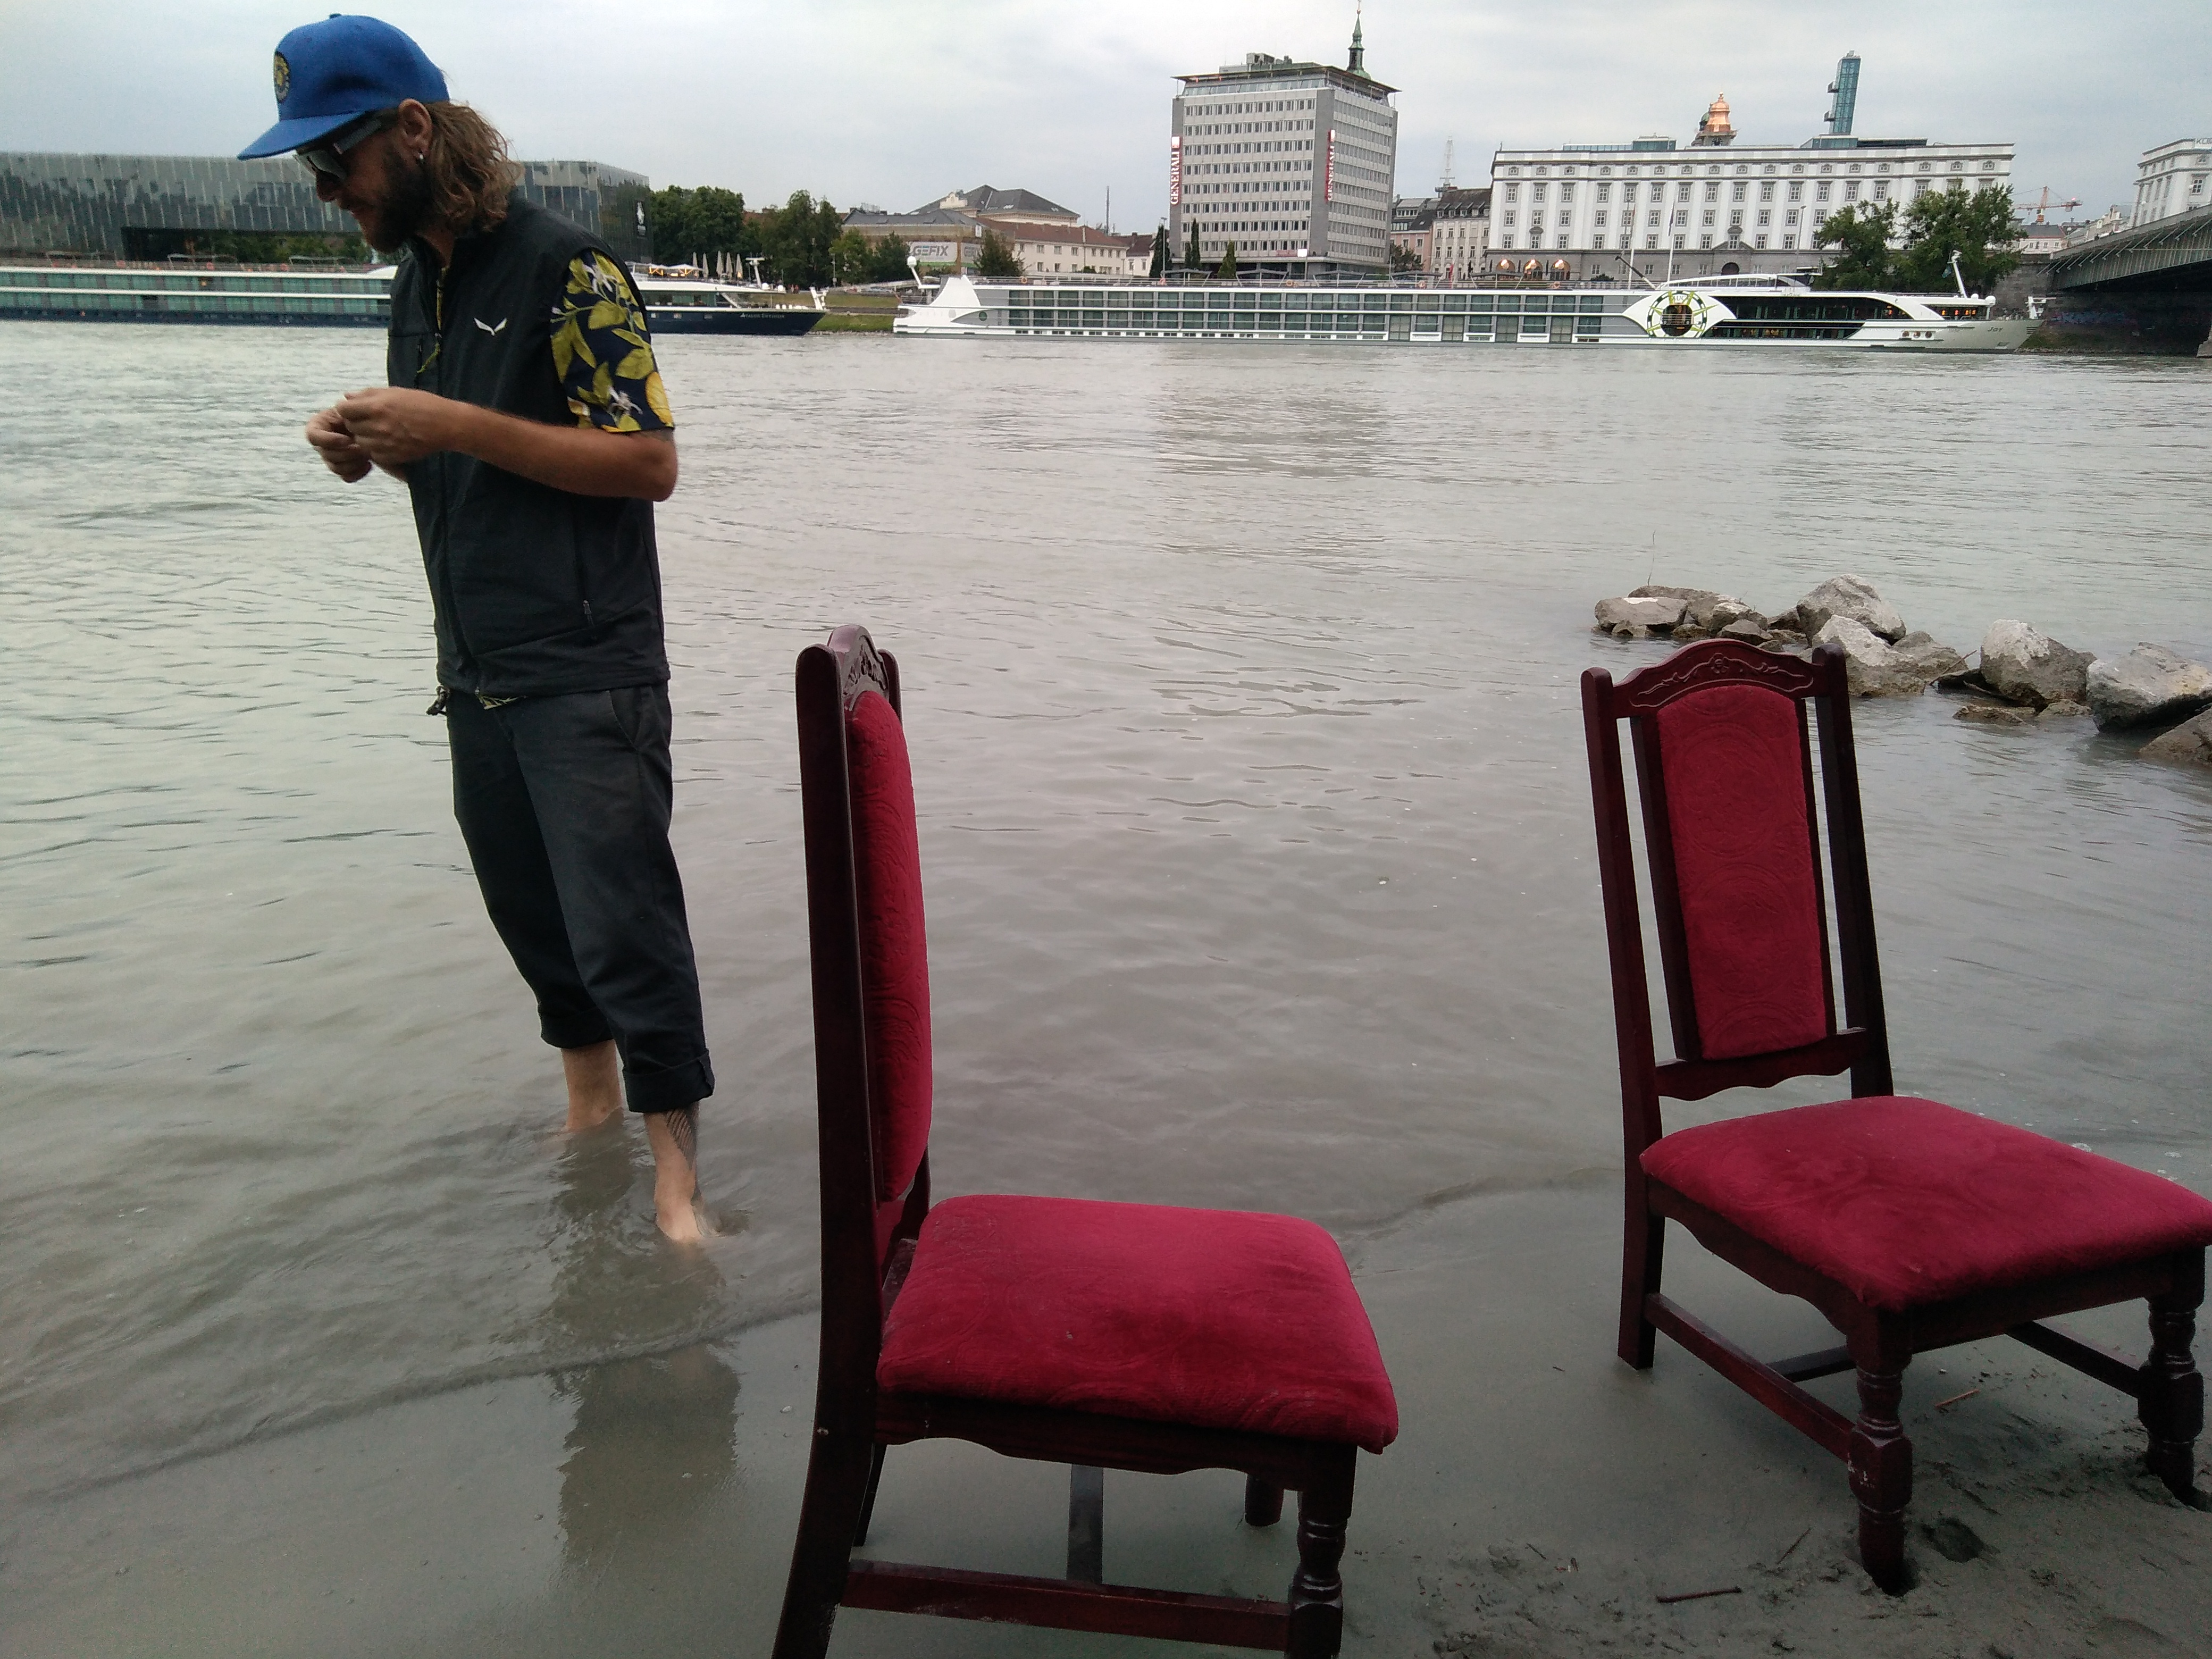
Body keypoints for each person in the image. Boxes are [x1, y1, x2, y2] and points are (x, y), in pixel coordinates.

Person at [241, 15, 714, 1241]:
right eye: (310, 169)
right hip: (478, 666)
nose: (326, 190)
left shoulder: (573, 271)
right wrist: (371, 450)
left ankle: (677, 1193)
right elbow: (465, 467)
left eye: (334, 159)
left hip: (589, 667)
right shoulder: (420, 283)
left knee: (625, 932)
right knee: (536, 927)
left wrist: (449, 425)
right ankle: (589, 1121)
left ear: (413, 130)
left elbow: (649, 462)